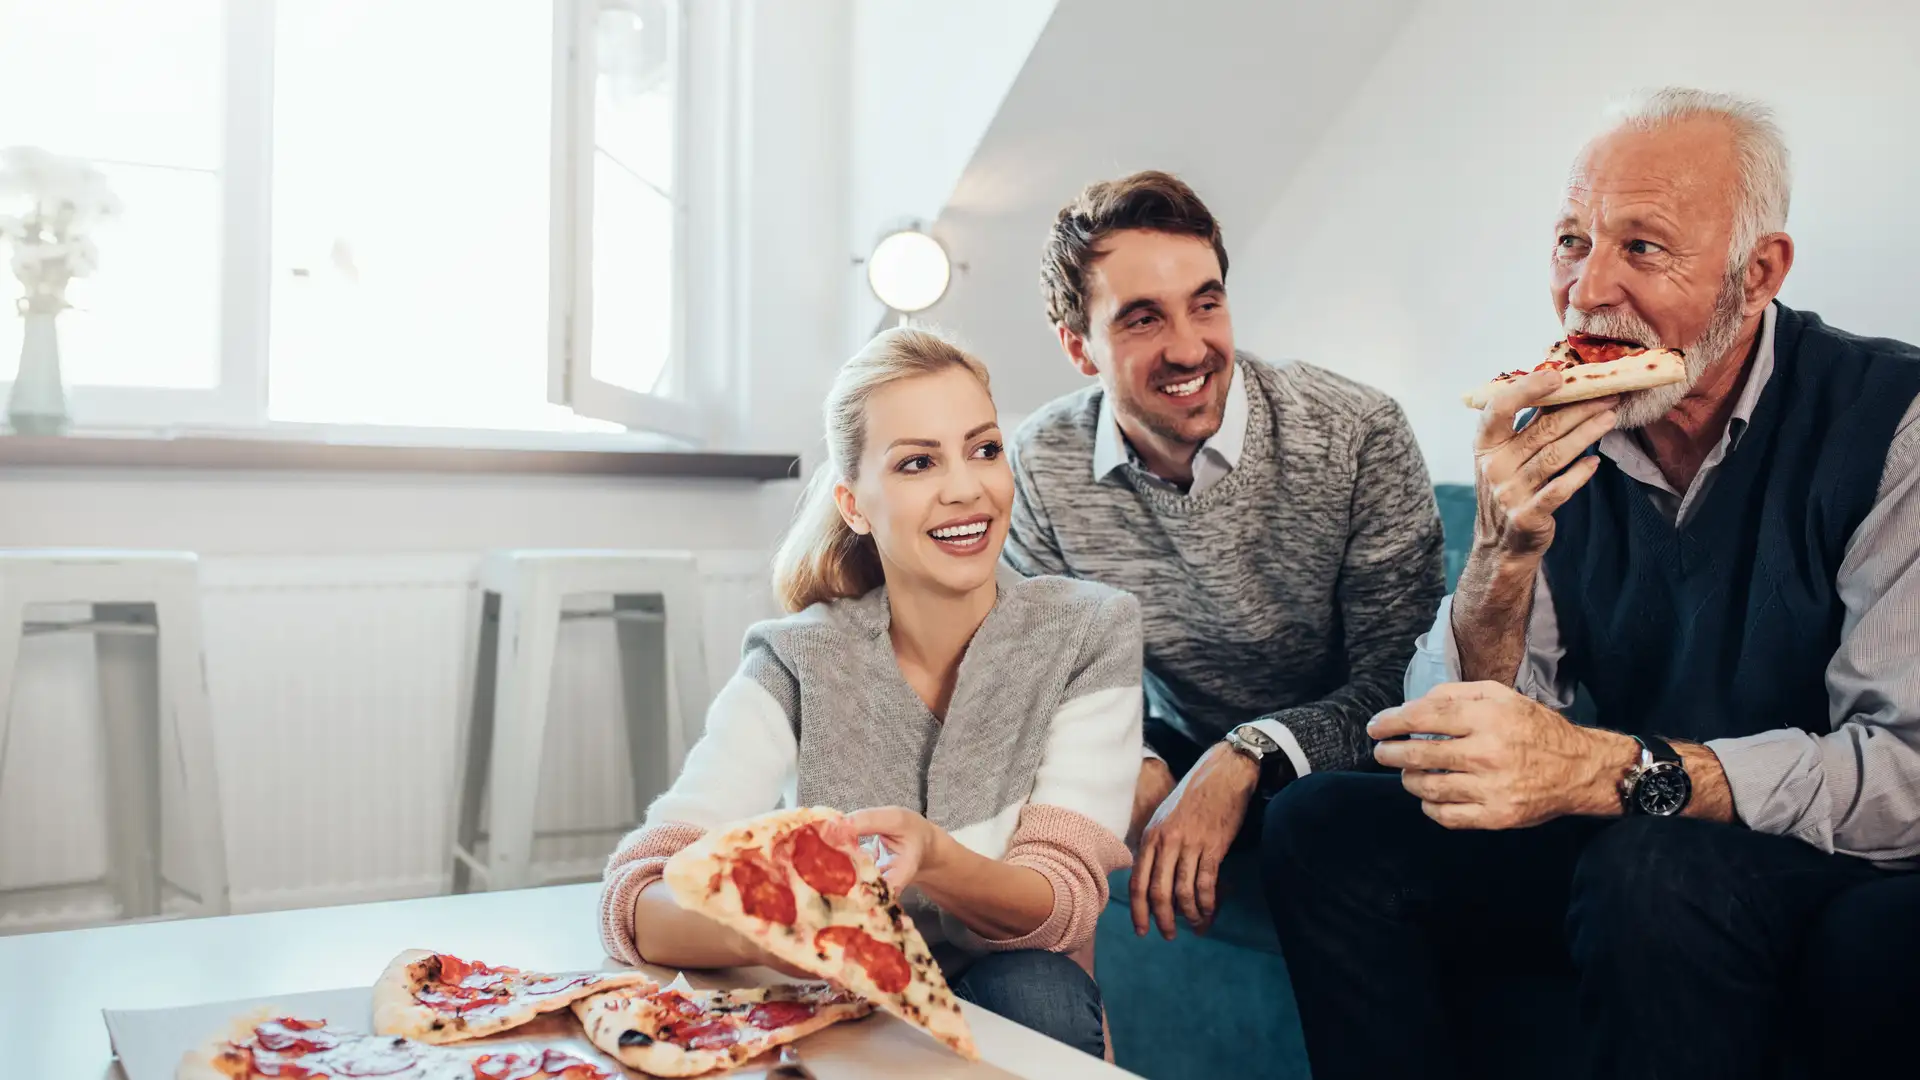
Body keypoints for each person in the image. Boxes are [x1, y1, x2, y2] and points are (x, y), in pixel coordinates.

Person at [1263, 87, 1920, 1080]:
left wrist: (1610, 770)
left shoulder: (1891, 425)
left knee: (1650, 868)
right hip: (1625, 821)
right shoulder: (1554, 442)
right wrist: (1499, 550)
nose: (1587, 290)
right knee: (1323, 829)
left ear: (1761, 271)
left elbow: (1902, 772)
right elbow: (1456, 746)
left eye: (1642, 248)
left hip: (1813, 854)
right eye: (1572, 241)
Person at [597, 327, 1142, 1058]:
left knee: (1033, 984)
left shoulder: (1089, 630)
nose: (965, 486)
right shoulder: (797, 658)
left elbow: (1060, 902)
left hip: (1023, 1015)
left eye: (984, 449)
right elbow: (640, 889)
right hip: (838, 1019)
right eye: (918, 462)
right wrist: (793, 934)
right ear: (854, 504)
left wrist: (937, 859)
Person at [1004, 170, 1445, 940]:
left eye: (1206, 303)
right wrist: (1133, 761)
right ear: (1079, 348)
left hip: (1348, 763)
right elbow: (1042, 676)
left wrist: (1249, 756)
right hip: (1176, 734)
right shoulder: (1041, 462)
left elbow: (1406, 680)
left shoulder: (1357, 431)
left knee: (1315, 818)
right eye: (1142, 319)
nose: (1189, 347)